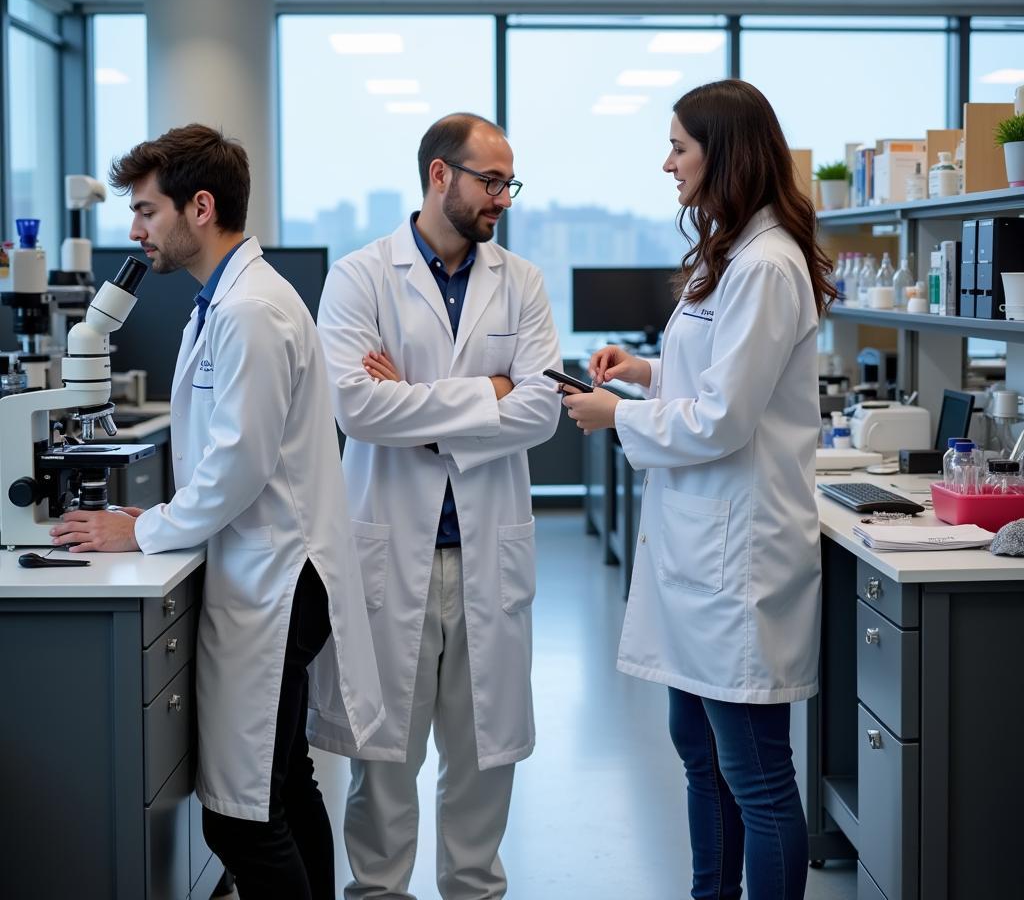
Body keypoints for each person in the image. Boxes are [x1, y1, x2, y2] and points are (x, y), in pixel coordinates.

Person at [50, 123, 384, 900]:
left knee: (238, 819)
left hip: (276, 578)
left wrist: (143, 527)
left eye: (146, 211)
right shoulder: (227, 301)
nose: (135, 232)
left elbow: (238, 464)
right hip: (270, 566)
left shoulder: (250, 312)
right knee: (285, 784)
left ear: (200, 207)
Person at [560, 79, 836, 900]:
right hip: (699, 557)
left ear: (725, 153)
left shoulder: (768, 263)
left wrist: (618, 415)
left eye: (679, 146)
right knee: (698, 748)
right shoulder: (736, 252)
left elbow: (723, 418)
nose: (668, 162)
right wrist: (644, 371)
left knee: (754, 772)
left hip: (738, 564)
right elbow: (717, 376)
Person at [309, 112, 561, 900]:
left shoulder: (521, 282)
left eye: (510, 183)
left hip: (487, 553)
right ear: (440, 175)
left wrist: (415, 404)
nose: (504, 199)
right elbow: (355, 409)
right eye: (491, 181)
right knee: (382, 764)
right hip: (388, 554)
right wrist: (488, 393)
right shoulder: (358, 275)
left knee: (485, 762)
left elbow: (543, 411)